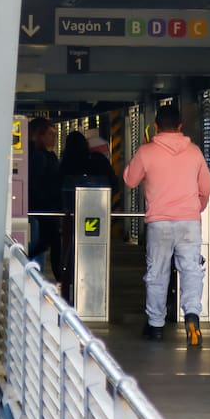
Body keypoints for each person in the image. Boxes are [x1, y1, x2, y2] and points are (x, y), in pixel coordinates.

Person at [123, 104, 210, 347]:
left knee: (157, 274)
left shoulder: (146, 151)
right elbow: (206, 187)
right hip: (188, 221)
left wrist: (142, 152)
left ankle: (156, 326)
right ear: (181, 126)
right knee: (192, 270)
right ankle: (192, 315)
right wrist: (196, 208)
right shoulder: (194, 152)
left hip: (159, 223)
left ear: (156, 126)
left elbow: (130, 180)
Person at [57, 129, 119, 304]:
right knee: (95, 251)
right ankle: (92, 291)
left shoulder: (66, 163)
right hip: (96, 213)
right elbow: (113, 182)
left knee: (68, 253)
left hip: (71, 214)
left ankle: (66, 291)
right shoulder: (98, 160)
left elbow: (57, 185)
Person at [27, 118, 61, 278]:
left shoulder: (50, 156)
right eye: (49, 134)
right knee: (46, 243)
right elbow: (37, 183)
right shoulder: (40, 157)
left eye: (55, 134)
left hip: (49, 209)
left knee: (48, 243)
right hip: (43, 210)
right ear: (40, 136)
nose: (53, 138)